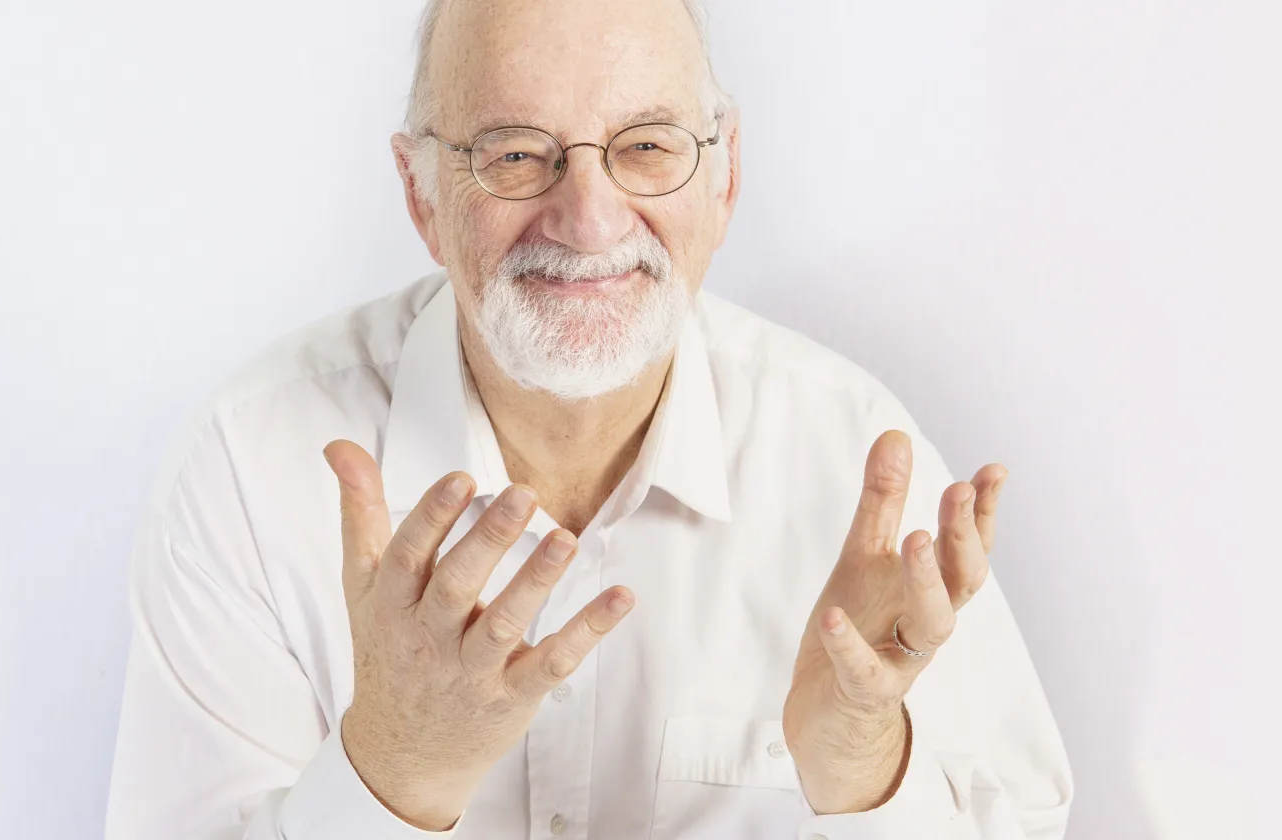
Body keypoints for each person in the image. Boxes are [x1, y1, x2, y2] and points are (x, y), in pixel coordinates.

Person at [104, 0, 1073, 837]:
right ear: (420, 195)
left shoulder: (855, 466)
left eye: (646, 146)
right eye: (515, 153)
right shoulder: (252, 468)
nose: (590, 219)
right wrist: (391, 773)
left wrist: (863, 769)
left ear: (724, 175)